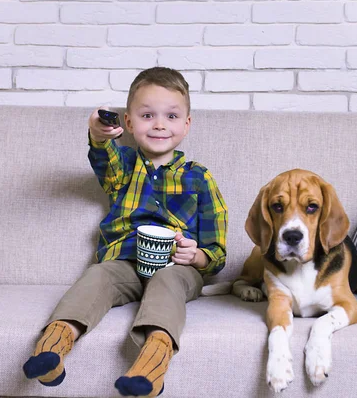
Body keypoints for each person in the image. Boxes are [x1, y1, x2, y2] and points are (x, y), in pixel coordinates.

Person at [22, 67, 228, 397]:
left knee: (168, 281)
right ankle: (52, 347)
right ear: (129, 124)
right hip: (126, 262)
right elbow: (104, 157)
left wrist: (198, 255)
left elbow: (217, 250)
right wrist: (99, 135)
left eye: (171, 116)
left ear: (186, 124)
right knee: (98, 275)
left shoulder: (199, 177)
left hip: (178, 267)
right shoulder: (126, 167)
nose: (160, 124)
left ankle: (151, 369)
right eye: (148, 115)